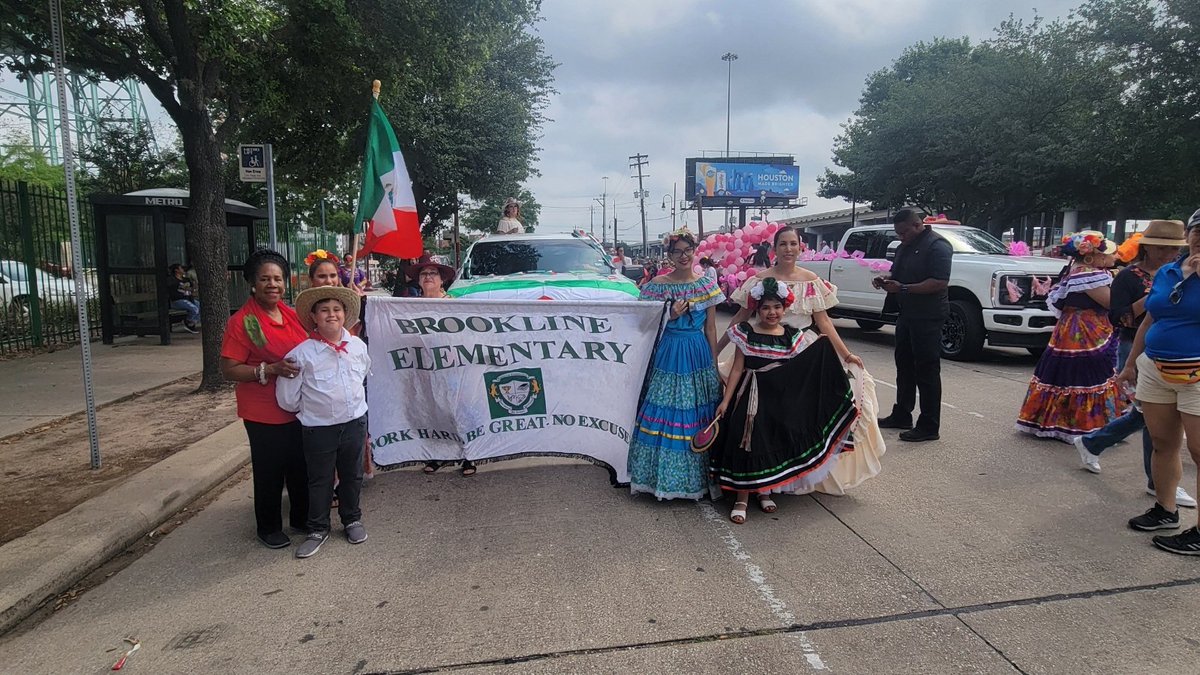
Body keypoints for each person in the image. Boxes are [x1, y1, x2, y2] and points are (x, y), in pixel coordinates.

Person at [711, 278, 865, 523]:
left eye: (777, 307)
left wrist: (836, 354)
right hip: (750, 397)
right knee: (747, 443)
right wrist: (726, 401)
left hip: (778, 402)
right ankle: (742, 498)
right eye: (765, 307)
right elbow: (738, 369)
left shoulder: (792, 336)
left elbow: (799, 370)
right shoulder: (746, 333)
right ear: (757, 309)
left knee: (770, 442)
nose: (771, 312)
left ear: (785, 309)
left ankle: (764, 491)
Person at [1073, 221, 1196, 506]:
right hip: (1136, 346)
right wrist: (1153, 298)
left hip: (1181, 357)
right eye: (1161, 247)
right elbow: (1120, 318)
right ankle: (1158, 483)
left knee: (1147, 416)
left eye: (1173, 248)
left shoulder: (1185, 272)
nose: (1167, 253)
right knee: (1153, 418)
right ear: (1146, 246)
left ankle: (1094, 443)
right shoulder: (1129, 276)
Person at [1119, 210, 1200, 554]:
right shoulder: (1169, 271)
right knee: (1163, 442)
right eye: (1197, 231)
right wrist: (1130, 364)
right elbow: (1151, 318)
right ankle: (1166, 509)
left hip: (1196, 373)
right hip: (1156, 367)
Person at [219, 249, 309, 549]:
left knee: (299, 466)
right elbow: (229, 369)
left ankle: (301, 518)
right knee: (270, 470)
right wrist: (269, 369)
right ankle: (268, 527)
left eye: (278, 279)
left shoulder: (291, 314)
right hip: (263, 411)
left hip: (297, 407)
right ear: (252, 283)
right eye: (265, 279)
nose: (273, 284)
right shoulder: (243, 322)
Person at [628, 228, 725, 500]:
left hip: (697, 353)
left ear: (695, 251)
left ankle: (697, 479)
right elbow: (642, 323)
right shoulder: (657, 285)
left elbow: (711, 329)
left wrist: (713, 363)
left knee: (697, 411)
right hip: (668, 351)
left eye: (687, 250)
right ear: (669, 255)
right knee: (666, 407)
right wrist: (669, 315)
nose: (683, 256)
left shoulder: (706, 284)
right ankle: (662, 479)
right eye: (677, 252)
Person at [276, 286, 371, 558]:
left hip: (354, 423)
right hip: (319, 428)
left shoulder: (357, 346)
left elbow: (363, 374)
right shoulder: (300, 355)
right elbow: (287, 399)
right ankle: (318, 528)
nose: (332, 315)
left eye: (337, 309)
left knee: (352, 475)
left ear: (345, 314)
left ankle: (352, 519)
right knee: (320, 479)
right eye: (325, 310)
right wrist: (317, 411)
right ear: (314, 317)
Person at [1017, 231, 1122, 441]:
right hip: (1085, 330)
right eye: (1109, 253)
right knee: (1085, 372)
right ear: (1092, 255)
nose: (1114, 257)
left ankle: (1057, 420)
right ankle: (1080, 424)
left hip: (1072, 328)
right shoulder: (1087, 275)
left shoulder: (1078, 271)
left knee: (1065, 372)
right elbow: (1112, 303)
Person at [872, 210, 954, 442]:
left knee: (926, 370)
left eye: (904, 232)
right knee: (904, 365)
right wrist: (885, 280)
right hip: (907, 313)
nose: (901, 237)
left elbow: (939, 282)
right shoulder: (904, 247)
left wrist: (903, 288)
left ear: (918, 225)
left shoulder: (938, 246)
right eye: (898, 234)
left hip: (928, 316)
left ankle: (929, 425)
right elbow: (898, 274)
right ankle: (902, 414)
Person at [405, 255, 475, 477]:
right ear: (418, 280)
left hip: (453, 366)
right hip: (424, 367)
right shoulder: (409, 306)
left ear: (442, 279)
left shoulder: (454, 303)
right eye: (424, 274)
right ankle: (438, 454)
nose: (428, 277)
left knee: (459, 409)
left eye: (433, 273)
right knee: (433, 409)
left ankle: (469, 454)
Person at [306, 250, 373, 482]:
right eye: (322, 276)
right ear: (311, 280)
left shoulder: (350, 304)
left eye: (332, 275)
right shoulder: (304, 315)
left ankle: (349, 482)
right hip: (319, 398)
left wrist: (361, 301)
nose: (329, 280)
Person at [167, 263, 200, 333]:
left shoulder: (186, 279)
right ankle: (188, 322)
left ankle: (192, 323)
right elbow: (172, 291)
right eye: (181, 268)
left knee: (200, 306)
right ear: (176, 270)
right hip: (178, 300)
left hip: (189, 299)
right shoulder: (172, 280)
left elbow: (192, 287)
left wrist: (192, 286)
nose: (183, 270)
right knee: (195, 309)